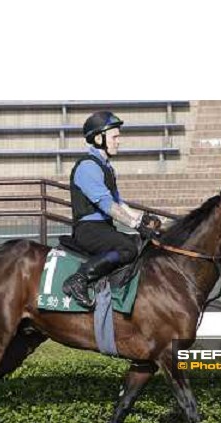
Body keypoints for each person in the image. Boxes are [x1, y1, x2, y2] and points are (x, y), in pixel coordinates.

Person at [62, 111, 161, 308]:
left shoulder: (106, 167)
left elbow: (119, 203)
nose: (119, 141)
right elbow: (107, 205)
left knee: (141, 243)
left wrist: (142, 218)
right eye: (115, 136)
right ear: (99, 138)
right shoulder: (88, 167)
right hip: (89, 230)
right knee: (128, 248)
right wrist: (136, 224)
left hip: (103, 228)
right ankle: (79, 279)